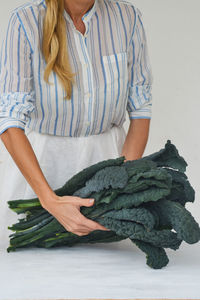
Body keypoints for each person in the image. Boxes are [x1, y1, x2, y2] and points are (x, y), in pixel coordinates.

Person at [0, 0, 153, 249]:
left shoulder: (127, 17)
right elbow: (8, 121)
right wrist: (49, 199)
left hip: (109, 166)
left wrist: (120, 188)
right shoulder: (25, 22)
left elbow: (140, 110)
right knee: (34, 274)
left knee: (109, 276)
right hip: (41, 173)